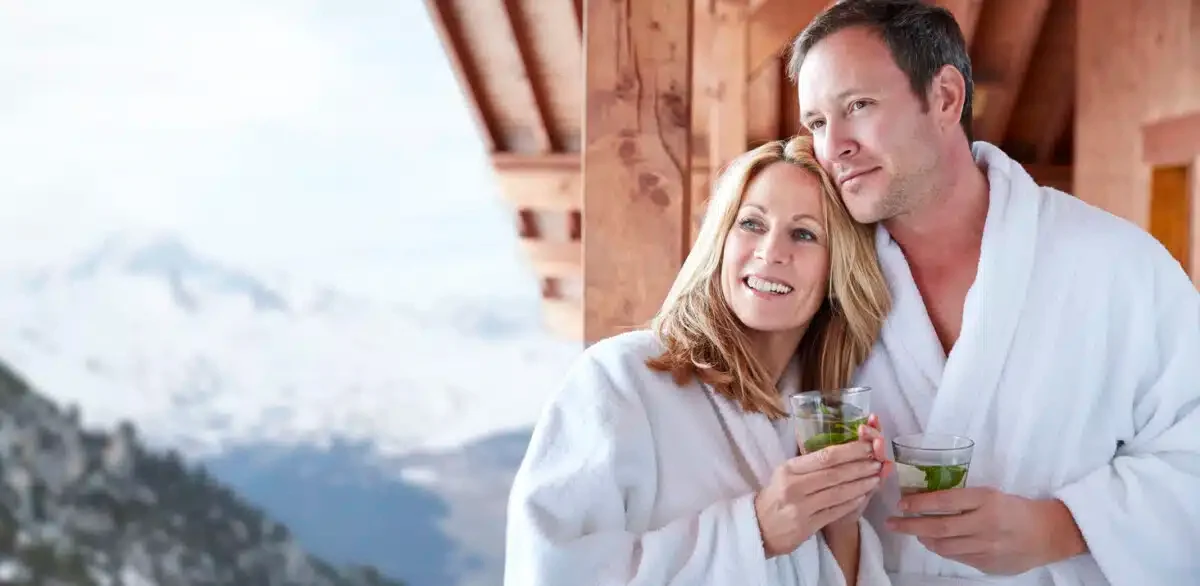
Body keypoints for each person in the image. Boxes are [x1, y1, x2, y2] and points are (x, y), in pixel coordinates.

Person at [787, 1, 1200, 585]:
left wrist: (1064, 526)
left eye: (858, 106)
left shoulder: (1119, 266)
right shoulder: (816, 278)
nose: (836, 147)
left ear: (946, 99)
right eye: (818, 123)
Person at [504, 136, 897, 585]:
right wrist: (756, 532)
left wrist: (838, 515)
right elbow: (549, 571)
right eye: (751, 224)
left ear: (837, 272)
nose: (770, 252)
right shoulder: (619, 379)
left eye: (804, 233)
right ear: (720, 242)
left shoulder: (809, 420)